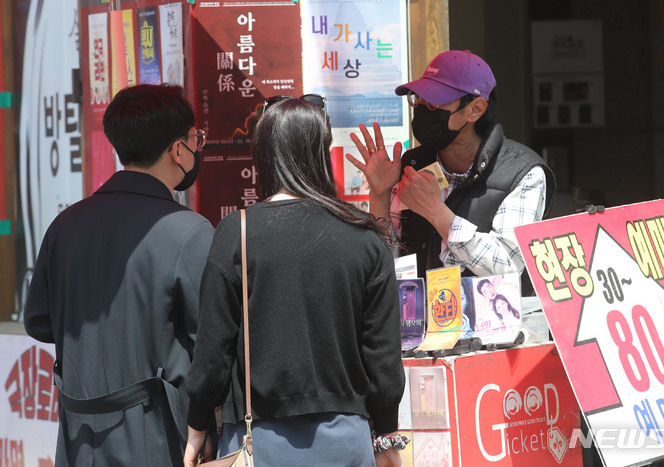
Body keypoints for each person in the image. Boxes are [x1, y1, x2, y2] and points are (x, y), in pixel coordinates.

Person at [183, 97, 406, 467]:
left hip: (259, 445)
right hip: (347, 442)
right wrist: (385, 439)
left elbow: (212, 355)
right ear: (322, 152)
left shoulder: (236, 233)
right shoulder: (365, 237)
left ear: (264, 156)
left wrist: (196, 428)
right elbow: (383, 360)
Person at [23, 83, 214, 466]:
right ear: (178, 149)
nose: (198, 148)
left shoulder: (65, 224)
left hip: (78, 441)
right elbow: (212, 343)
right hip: (159, 438)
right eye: (197, 140)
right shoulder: (189, 231)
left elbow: (39, 322)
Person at [347, 50, 556, 286]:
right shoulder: (411, 167)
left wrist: (437, 213)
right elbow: (381, 264)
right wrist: (380, 194)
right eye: (418, 98)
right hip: (418, 320)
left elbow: (510, 264)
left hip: (492, 320)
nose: (423, 108)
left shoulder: (521, 172)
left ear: (475, 109)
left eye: (434, 102)